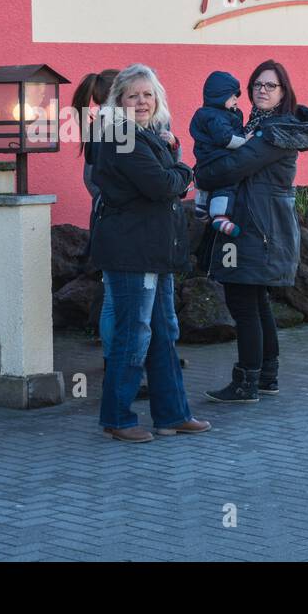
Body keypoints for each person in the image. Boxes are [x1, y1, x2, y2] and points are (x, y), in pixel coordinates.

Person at [89, 63, 210, 442]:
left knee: (162, 331)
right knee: (134, 334)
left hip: (154, 251)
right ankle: (117, 418)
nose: (141, 101)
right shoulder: (119, 133)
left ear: (156, 98)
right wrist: (185, 172)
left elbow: (161, 182)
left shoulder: (147, 134)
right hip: (131, 252)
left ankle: (172, 414)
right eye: (132, 95)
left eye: (147, 94)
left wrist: (173, 170)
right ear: (118, 100)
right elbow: (160, 185)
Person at [194, 60, 308, 403]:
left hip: (259, 228)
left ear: (284, 92)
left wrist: (203, 176)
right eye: (257, 85)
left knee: (243, 302)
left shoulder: (275, 132)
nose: (262, 90)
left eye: (270, 85)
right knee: (256, 302)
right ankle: (266, 377)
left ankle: (246, 382)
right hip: (259, 225)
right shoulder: (259, 124)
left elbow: (234, 166)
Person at [73, 70, 119, 360]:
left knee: (112, 295)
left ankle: (117, 359)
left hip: (107, 220)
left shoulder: (103, 123)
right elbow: (96, 181)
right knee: (114, 298)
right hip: (114, 222)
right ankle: (114, 361)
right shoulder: (110, 125)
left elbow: (91, 180)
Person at [189, 70, 251, 237]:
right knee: (227, 184)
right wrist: (245, 140)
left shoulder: (205, 113)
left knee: (204, 182)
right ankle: (220, 216)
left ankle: (201, 208)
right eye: (233, 97)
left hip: (203, 164)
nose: (236, 100)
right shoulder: (217, 117)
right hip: (219, 163)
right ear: (220, 97)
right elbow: (226, 139)